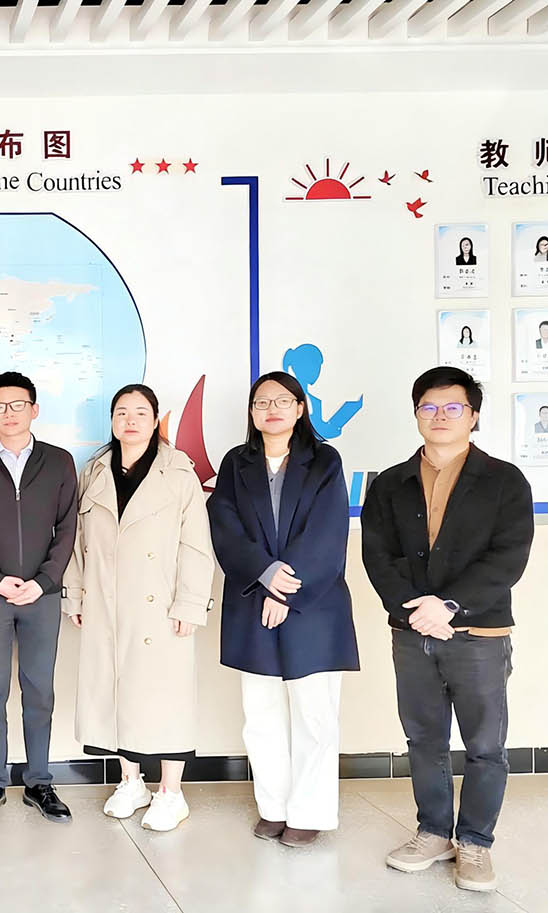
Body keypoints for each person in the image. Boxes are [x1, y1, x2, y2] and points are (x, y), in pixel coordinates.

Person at [361, 366, 531, 894]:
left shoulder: (504, 480)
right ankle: (434, 832)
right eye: (428, 407)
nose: (440, 416)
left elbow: (508, 557)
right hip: (412, 632)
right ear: (416, 414)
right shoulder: (390, 483)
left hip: (478, 634)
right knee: (424, 738)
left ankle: (475, 842)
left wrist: (450, 606)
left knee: (485, 744)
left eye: (452, 407)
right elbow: (378, 555)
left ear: (473, 415)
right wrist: (416, 610)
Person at [206, 372, 359, 848]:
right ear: (252, 413)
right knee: (261, 713)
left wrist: (284, 591)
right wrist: (264, 574)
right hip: (253, 600)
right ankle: (273, 807)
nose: (271, 409)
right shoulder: (236, 463)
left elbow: (327, 532)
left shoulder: (325, 461)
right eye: (261, 402)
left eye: (281, 401)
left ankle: (308, 812)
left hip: (313, 605)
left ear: (299, 408)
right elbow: (225, 525)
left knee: (314, 715)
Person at [63, 384, 214, 833]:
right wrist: (76, 595)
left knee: (164, 696)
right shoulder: (94, 472)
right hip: (106, 602)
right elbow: (77, 543)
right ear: (112, 420)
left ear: (154, 420)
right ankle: (131, 782)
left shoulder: (178, 473)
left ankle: (171, 792)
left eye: (140, 412)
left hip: (161, 605)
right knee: (116, 692)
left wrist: (190, 602)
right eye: (121, 412)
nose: (130, 420)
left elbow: (196, 545)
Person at [0, 371, 77, 824]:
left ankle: (39, 781)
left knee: (39, 690)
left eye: (18, 404)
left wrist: (44, 581)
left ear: (34, 409)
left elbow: (67, 528)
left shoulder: (59, 461)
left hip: (42, 596)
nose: (9, 413)